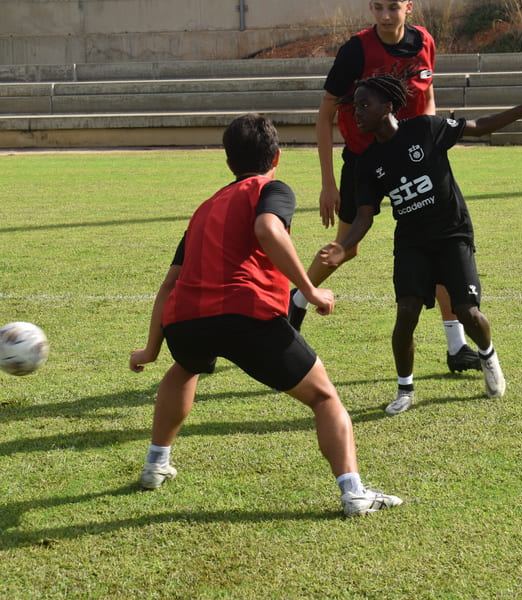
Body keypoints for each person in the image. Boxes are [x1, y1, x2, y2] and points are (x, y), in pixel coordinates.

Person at [128, 113, 401, 517]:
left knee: (183, 369)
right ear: (277, 156)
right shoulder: (270, 188)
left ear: (228, 163)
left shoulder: (204, 209)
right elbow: (267, 229)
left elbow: (169, 285)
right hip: (245, 316)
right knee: (325, 397)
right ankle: (355, 494)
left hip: (186, 321)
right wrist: (310, 290)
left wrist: (152, 348)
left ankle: (155, 465)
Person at [318, 74, 522, 415]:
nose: (357, 113)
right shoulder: (368, 162)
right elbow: (365, 216)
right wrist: (343, 247)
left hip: (452, 234)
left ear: (388, 107)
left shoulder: (426, 129)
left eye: (365, 105)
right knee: (406, 314)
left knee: (467, 313)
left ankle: (488, 356)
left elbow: (479, 126)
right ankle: (405, 390)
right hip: (412, 242)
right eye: (355, 107)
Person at [288, 0, 483, 375]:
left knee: (440, 241)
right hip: (365, 162)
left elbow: (426, 96)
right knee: (348, 247)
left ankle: (457, 346)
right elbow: (326, 113)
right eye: (377, 7)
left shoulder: (424, 41)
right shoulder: (355, 51)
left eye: (392, 6)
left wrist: (428, 145)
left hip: (411, 160)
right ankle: (296, 300)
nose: (384, 15)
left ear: (408, 7)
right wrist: (328, 183)